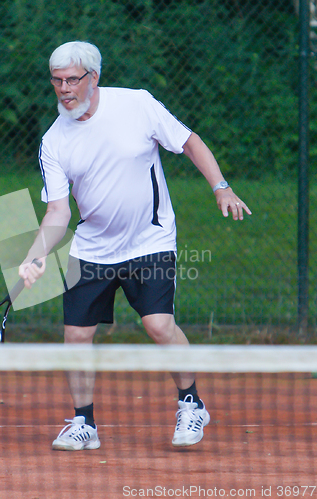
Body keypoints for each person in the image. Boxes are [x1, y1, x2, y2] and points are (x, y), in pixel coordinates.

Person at [18, 41, 251, 451]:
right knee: (76, 335)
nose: (64, 89)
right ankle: (83, 423)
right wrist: (36, 254)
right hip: (92, 247)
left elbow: (189, 141)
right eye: (56, 81)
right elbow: (58, 211)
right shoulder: (54, 141)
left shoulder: (137, 105)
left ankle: (192, 404)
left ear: (94, 77)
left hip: (151, 238)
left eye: (72, 79)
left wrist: (221, 187)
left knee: (158, 325)